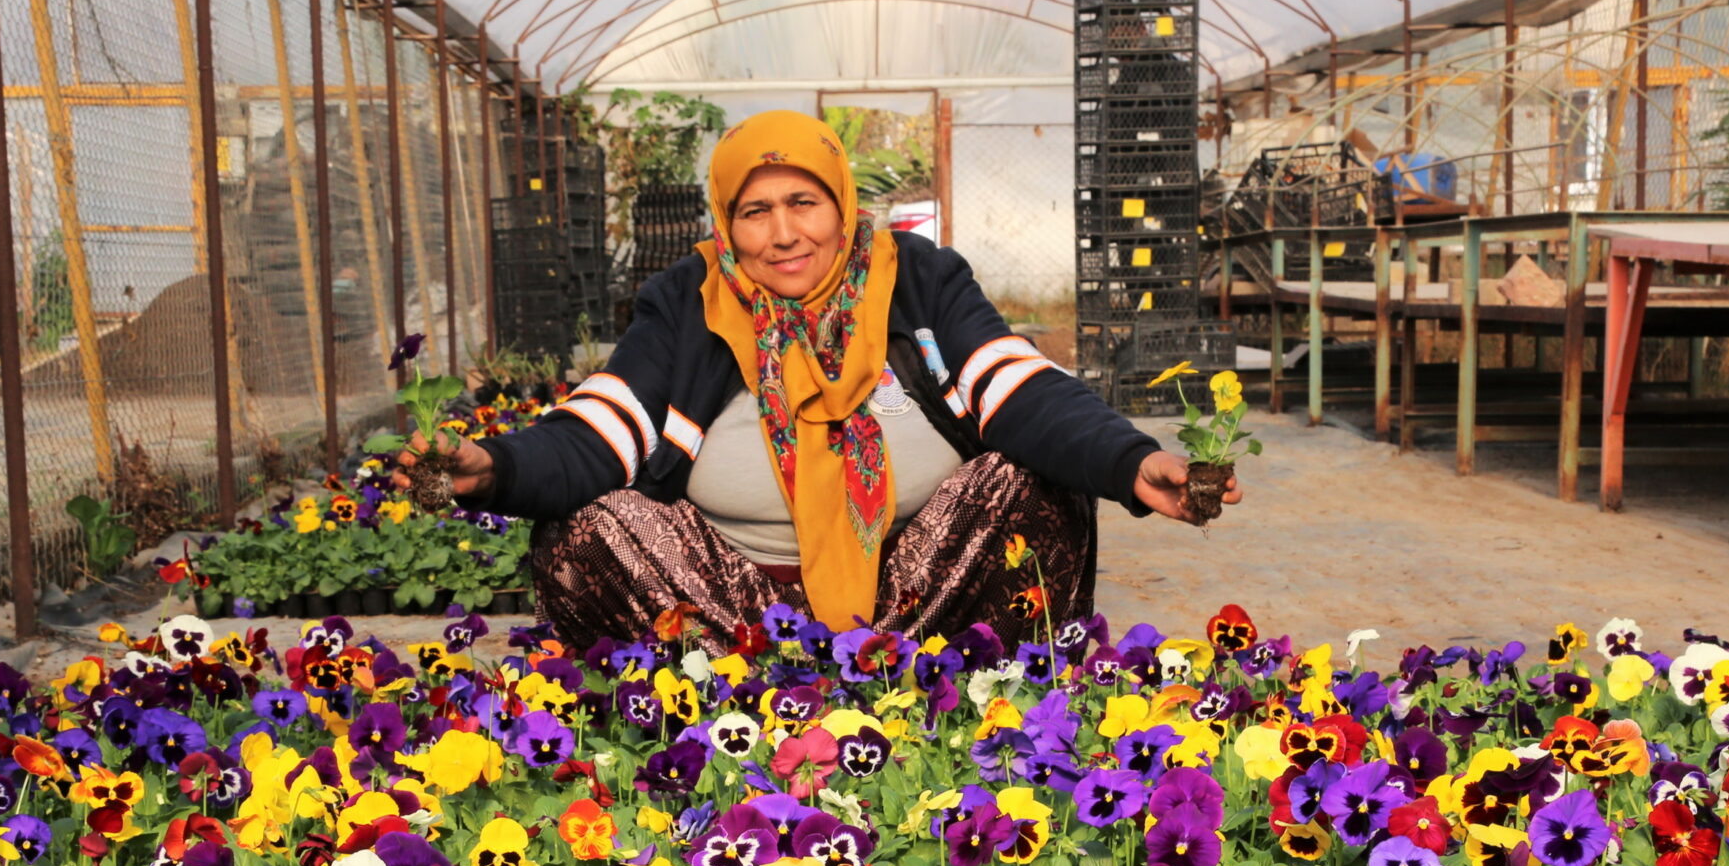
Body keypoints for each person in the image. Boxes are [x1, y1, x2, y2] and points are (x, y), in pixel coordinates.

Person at [396, 109, 1232, 648]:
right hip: (731, 612)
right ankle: (745, 696)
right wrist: (495, 468)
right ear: (727, 225)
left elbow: (1017, 386)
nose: (784, 234)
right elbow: (602, 429)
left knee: (1034, 483)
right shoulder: (690, 301)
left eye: (805, 202)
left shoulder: (920, 280)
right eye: (755, 211)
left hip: (917, 604)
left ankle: (936, 683)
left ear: (841, 205)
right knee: (585, 528)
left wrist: (1130, 461)